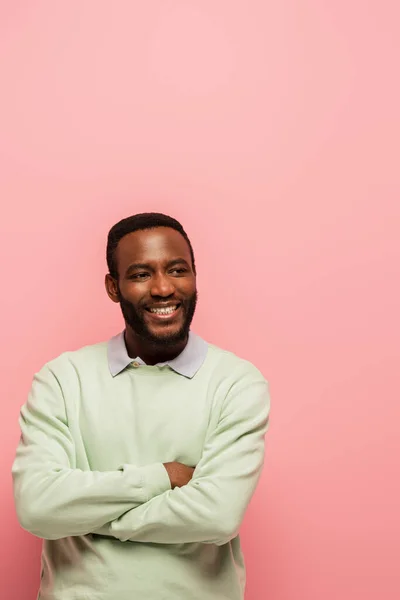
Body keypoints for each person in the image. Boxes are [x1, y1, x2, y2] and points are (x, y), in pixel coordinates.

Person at [12, 212, 270, 600]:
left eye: (178, 269)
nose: (163, 288)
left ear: (196, 276)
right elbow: (37, 506)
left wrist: (90, 517)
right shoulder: (62, 379)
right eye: (140, 274)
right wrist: (164, 476)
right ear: (113, 288)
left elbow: (217, 515)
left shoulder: (237, 382)